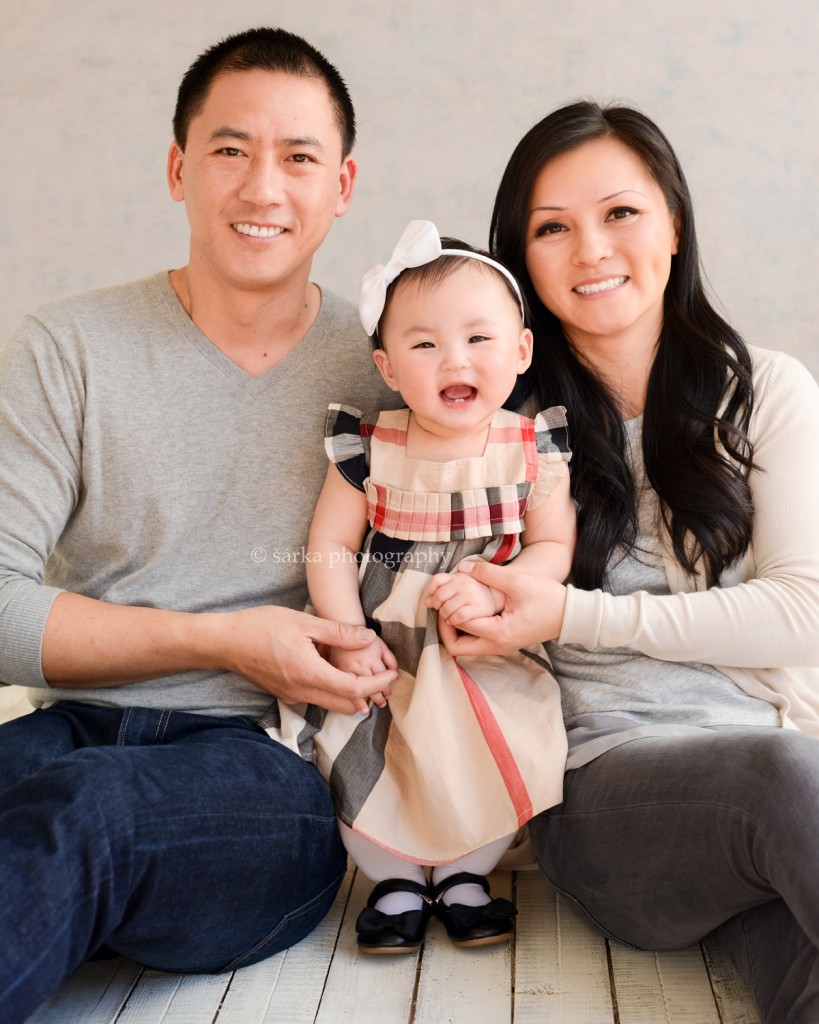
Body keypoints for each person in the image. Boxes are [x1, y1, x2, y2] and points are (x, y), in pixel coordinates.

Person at [0, 27, 400, 1024]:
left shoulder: (393, 371)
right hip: (74, 730)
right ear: (180, 169)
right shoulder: (67, 348)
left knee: (95, 811)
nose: (263, 187)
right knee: (73, 791)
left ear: (341, 185)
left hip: (269, 767)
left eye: (298, 157)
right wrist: (221, 636)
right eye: (231, 150)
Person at [438, 99, 819, 1022]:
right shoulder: (497, 424)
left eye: (620, 214)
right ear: (519, 260)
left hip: (776, 781)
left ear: (674, 225)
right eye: (551, 229)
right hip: (606, 795)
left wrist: (573, 614)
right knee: (779, 779)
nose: (591, 251)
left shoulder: (763, 390)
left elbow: (800, 612)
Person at [265, 220, 575, 954]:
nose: (452, 359)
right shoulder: (370, 446)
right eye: (424, 343)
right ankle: (394, 878)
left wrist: (503, 590)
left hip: (480, 642)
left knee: (493, 745)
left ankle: (467, 878)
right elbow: (331, 546)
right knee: (367, 743)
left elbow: (553, 545)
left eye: (477, 338)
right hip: (384, 640)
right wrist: (347, 637)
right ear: (388, 366)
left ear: (521, 350)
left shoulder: (531, 448)